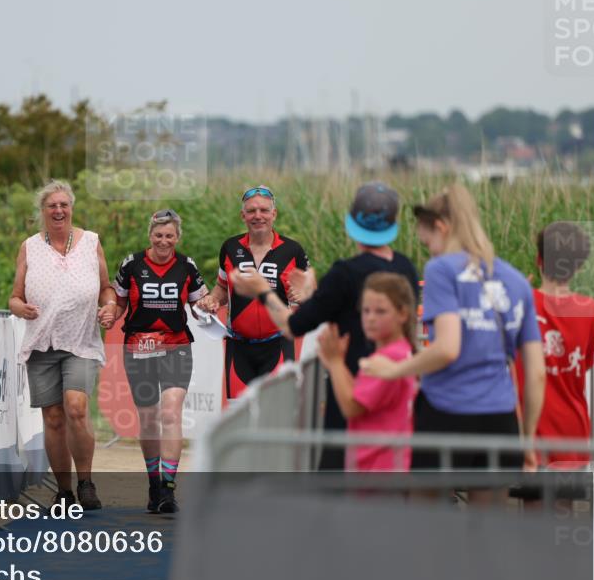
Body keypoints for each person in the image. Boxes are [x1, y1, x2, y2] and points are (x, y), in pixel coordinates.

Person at [359, 185, 545, 487]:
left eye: (429, 241)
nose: (430, 251)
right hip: (501, 417)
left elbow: (447, 348)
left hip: (447, 411)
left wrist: (395, 370)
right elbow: (536, 373)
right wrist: (526, 440)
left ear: (442, 228)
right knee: (489, 526)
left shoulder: (442, 269)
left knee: (429, 521)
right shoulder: (515, 280)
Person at [229, 182, 419, 469]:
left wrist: (262, 290)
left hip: (352, 386)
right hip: (397, 385)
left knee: (339, 477)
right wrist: (311, 296)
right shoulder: (405, 267)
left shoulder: (344, 273)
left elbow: (292, 326)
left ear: (351, 223)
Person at [10, 180, 116, 512]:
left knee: (76, 408)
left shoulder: (91, 243)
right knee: (53, 418)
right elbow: (14, 297)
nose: (58, 210)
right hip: (41, 342)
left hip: (80, 341)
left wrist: (110, 307)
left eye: (63, 205)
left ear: (71, 208)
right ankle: (64, 491)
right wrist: (19, 308)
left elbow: (106, 288)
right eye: (51, 206)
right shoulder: (29, 247)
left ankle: (86, 482)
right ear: (42, 212)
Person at [109, 209, 214, 513]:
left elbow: (199, 303)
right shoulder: (131, 264)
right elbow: (117, 302)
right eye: (158, 235)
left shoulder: (186, 266)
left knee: (170, 412)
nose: (164, 241)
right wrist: (108, 313)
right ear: (149, 236)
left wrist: (207, 304)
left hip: (176, 347)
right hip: (137, 349)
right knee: (149, 419)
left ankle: (168, 488)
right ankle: (153, 482)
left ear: (177, 237)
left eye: (169, 236)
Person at [196, 185, 311, 401]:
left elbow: (310, 292)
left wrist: (304, 295)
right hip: (238, 347)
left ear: (274, 214)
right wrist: (212, 299)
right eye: (251, 211)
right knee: (239, 418)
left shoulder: (292, 250)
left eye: (264, 210)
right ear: (243, 215)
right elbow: (222, 286)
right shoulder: (230, 247)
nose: (258, 216)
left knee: (277, 418)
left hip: (278, 344)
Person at [515, 222, 594, 469]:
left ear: (539, 260)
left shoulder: (524, 301)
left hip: (532, 425)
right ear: (578, 267)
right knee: (563, 504)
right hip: (572, 427)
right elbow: (584, 363)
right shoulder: (591, 309)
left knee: (533, 503)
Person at [316, 273, 417, 471]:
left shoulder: (385, 359)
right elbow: (362, 397)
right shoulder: (400, 350)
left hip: (378, 466)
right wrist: (337, 366)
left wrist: (336, 363)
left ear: (402, 314)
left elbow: (351, 407)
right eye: (366, 311)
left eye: (380, 312)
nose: (370, 318)